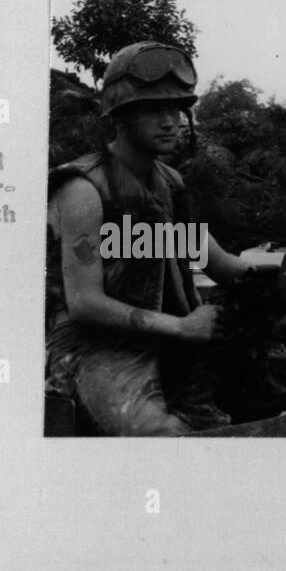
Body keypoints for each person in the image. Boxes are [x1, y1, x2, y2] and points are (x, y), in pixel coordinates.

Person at [45, 41, 260, 435]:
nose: (171, 121)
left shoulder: (168, 183)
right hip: (93, 348)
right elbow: (84, 303)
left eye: (176, 109)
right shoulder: (83, 189)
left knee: (247, 411)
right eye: (153, 109)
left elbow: (222, 263)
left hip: (165, 338)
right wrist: (181, 328)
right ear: (122, 117)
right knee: (162, 437)